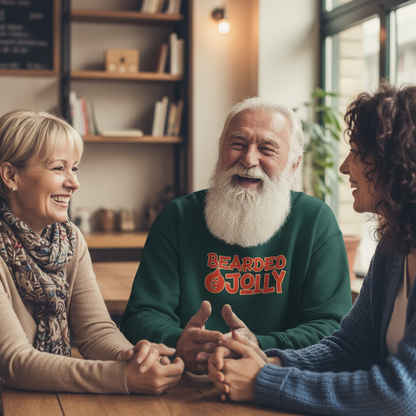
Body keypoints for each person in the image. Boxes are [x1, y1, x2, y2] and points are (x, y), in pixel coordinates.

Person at [207, 82, 416, 415]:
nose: (344, 167)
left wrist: (264, 381)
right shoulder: (395, 245)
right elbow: (351, 348)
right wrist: (268, 361)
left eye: (356, 152)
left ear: (396, 161)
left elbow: (404, 394)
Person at [121, 97, 352, 375]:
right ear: (221, 151)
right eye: (237, 144)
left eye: (266, 149)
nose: (249, 159)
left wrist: (259, 345)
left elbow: (331, 325)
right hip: (182, 383)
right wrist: (178, 341)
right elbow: (141, 314)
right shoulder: (178, 217)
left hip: (279, 379)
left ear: (293, 165)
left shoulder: (315, 221)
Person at [0, 110, 184, 394]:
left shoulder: (69, 240)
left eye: (74, 168)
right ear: (11, 175)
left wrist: (136, 359)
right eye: (58, 168)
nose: (74, 182)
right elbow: (15, 362)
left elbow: (95, 330)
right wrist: (121, 377)